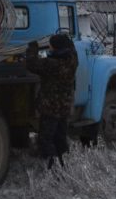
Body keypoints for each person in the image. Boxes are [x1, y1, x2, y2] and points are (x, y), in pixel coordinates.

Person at [25, 33, 78, 168]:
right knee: (60, 138)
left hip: (51, 109)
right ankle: (65, 166)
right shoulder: (72, 60)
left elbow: (31, 64)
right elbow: (71, 48)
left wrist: (32, 48)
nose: (50, 48)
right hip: (64, 108)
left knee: (45, 140)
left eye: (51, 46)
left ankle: (53, 168)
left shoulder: (51, 64)